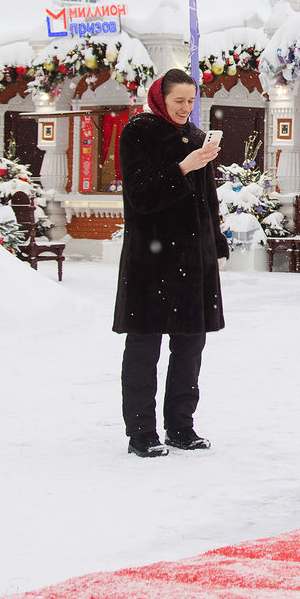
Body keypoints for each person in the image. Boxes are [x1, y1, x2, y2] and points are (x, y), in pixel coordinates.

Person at [113, 68, 228, 458]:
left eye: (192, 101)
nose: (185, 108)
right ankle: (141, 431)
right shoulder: (138, 132)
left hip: (193, 261)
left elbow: (207, 200)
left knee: (189, 346)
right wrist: (184, 167)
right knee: (145, 347)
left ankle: (181, 425)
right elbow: (140, 197)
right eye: (179, 100)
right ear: (161, 98)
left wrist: (217, 241)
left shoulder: (195, 138)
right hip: (153, 259)